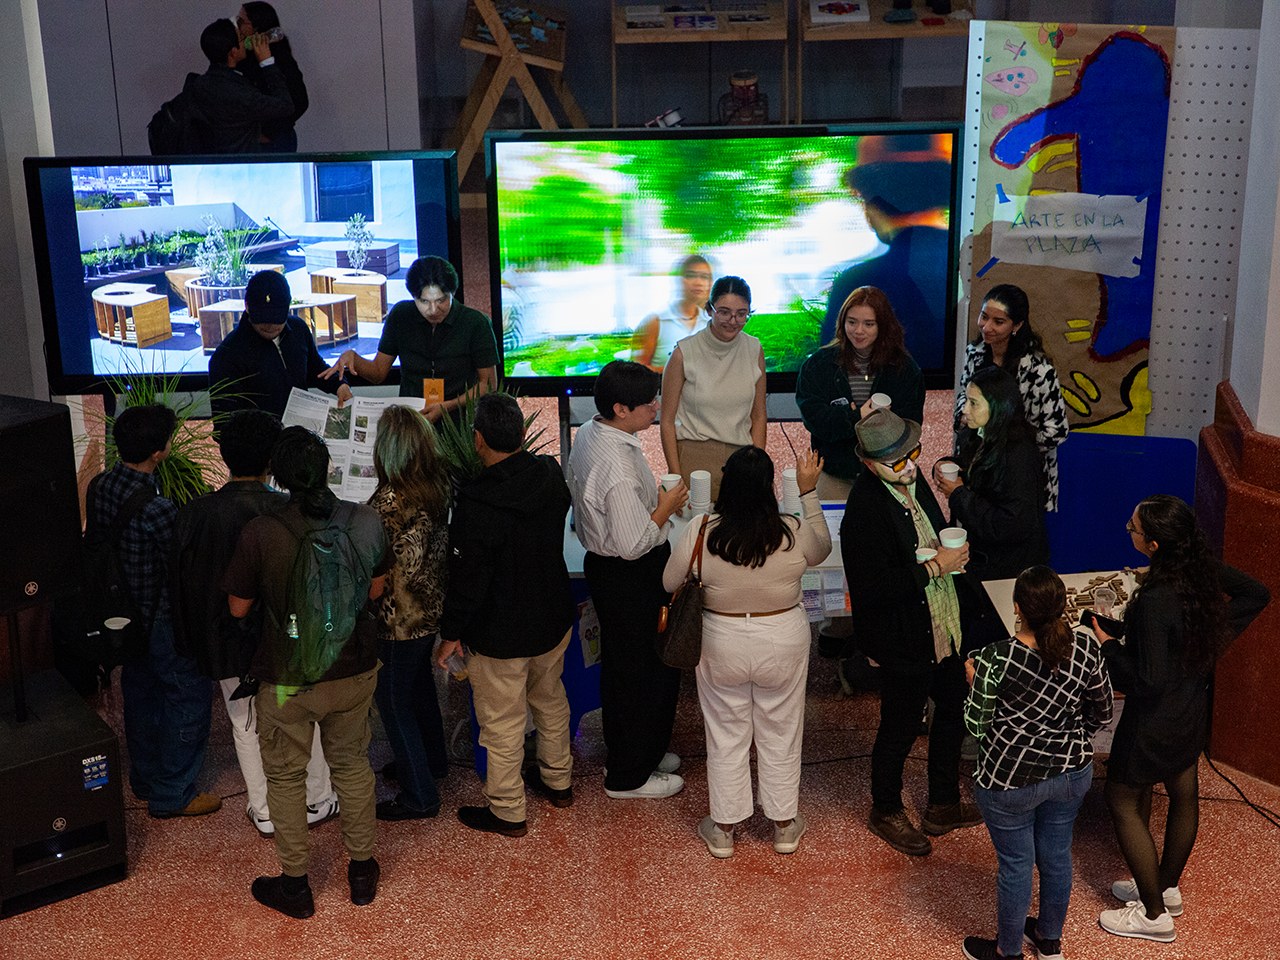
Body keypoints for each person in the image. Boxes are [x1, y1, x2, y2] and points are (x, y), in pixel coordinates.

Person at [224, 426, 391, 919]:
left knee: (285, 777)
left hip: (287, 681)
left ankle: (296, 886)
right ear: (328, 469)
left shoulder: (260, 531)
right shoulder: (366, 520)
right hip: (354, 669)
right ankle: (362, 872)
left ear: (276, 476)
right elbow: (376, 590)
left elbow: (237, 608)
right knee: (353, 766)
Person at [1096, 495, 1269, 943]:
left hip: (1152, 722)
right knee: (1183, 793)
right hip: (1191, 709)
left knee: (1120, 798)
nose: (1129, 530)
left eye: (1133, 527)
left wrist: (1108, 646)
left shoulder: (1155, 600)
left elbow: (1147, 680)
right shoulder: (1197, 568)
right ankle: (1165, 888)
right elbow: (1257, 593)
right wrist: (1210, 635)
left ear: (1154, 544)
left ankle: (1154, 916)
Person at [170, 409, 339, 838]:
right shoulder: (290, 509)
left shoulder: (194, 513)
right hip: (288, 642)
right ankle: (318, 799)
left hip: (225, 644)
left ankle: (263, 810)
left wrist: (193, 643)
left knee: (243, 723)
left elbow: (182, 587)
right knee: (304, 720)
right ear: (272, 460)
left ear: (225, 455)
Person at [665, 447, 830, 858]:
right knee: (782, 730)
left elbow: (669, 583)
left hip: (721, 640)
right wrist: (808, 492)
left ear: (726, 483)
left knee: (725, 732)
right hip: (783, 637)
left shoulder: (702, 530)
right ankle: (784, 826)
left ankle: (723, 828)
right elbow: (822, 550)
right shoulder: (792, 530)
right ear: (770, 485)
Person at [435, 394, 577, 837]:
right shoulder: (550, 475)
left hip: (499, 634)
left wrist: (450, 634)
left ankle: (508, 809)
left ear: (477, 439)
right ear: (522, 433)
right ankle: (559, 781)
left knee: (502, 723)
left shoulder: (475, 504)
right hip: (552, 617)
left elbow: (468, 582)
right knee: (551, 701)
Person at [841, 408, 981, 856]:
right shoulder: (863, 509)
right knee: (899, 728)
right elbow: (872, 589)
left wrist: (951, 555)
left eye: (914, 454)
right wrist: (936, 566)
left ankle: (943, 804)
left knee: (953, 712)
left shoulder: (913, 481)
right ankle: (885, 810)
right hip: (903, 637)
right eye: (896, 462)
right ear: (868, 464)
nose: (909, 467)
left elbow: (935, 533)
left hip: (944, 626)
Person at [961, 566, 1113, 960]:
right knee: (1057, 855)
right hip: (1071, 772)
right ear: (1063, 606)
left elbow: (976, 725)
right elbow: (1103, 711)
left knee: (1016, 864)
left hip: (1010, 780)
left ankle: (1008, 951)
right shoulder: (1086, 647)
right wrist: (1072, 738)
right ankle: (1048, 940)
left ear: (1017, 608)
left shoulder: (996, 657)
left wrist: (975, 683)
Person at [91, 404, 221, 819]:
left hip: (122, 616)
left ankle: (145, 779)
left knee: (139, 694)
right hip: (161, 619)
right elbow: (181, 564)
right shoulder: (158, 508)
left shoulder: (100, 485)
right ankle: (173, 792)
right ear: (158, 452)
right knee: (187, 698)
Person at [567, 360, 689, 800]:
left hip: (611, 570)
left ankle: (637, 752)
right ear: (620, 408)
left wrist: (653, 506)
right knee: (643, 673)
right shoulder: (615, 466)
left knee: (625, 668)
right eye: (648, 403)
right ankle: (629, 775)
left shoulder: (592, 430)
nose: (657, 407)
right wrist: (665, 507)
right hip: (631, 574)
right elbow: (635, 543)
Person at [366, 406, 450, 822]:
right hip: (428, 609)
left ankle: (420, 795)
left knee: (392, 701)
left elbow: (374, 566)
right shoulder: (436, 487)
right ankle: (431, 762)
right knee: (420, 691)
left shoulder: (387, 501)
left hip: (397, 620)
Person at [820, 134, 953, 372]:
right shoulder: (972, 268)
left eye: (862, 194)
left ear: (874, 199)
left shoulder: (856, 285)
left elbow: (830, 375)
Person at [322, 256, 499, 422]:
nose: (433, 310)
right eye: (424, 301)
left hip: (459, 424)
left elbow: (489, 384)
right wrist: (354, 358)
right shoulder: (401, 316)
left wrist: (447, 406)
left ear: (452, 292)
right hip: (412, 423)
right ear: (413, 296)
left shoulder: (475, 322)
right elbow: (378, 373)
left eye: (441, 300)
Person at [796, 284, 925, 503]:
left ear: (883, 325)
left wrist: (877, 422)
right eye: (852, 322)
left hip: (888, 475)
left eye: (869, 324)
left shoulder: (904, 369)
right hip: (836, 475)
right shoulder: (818, 365)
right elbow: (814, 418)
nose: (858, 331)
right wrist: (857, 417)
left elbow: (910, 426)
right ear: (842, 322)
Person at [954, 284, 1069, 512]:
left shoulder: (1039, 370)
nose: (986, 327)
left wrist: (1011, 445)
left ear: (1017, 325)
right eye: (984, 317)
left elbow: (1058, 430)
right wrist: (963, 416)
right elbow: (962, 397)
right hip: (977, 466)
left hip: (1019, 475)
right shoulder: (973, 353)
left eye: (998, 322)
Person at [935, 365, 1049, 584]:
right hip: (982, 559)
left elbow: (1011, 524)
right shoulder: (978, 433)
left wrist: (959, 494)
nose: (965, 410)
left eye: (973, 403)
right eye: (966, 400)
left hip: (1009, 571)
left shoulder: (1019, 454)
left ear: (998, 407)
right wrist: (946, 465)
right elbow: (974, 468)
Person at [660, 275, 766, 501]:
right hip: (695, 459)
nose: (733, 321)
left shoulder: (754, 348)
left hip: (742, 461)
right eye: (724, 312)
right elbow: (667, 421)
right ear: (709, 309)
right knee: (696, 523)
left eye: (742, 314)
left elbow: (758, 416)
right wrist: (675, 475)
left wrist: (759, 466)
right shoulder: (684, 353)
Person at [209, 269, 353, 418]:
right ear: (247, 307)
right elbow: (224, 421)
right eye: (262, 319)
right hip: (261, 432)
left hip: (300, 425)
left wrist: (340, 385)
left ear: (288, 307)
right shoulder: (226, 355)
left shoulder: (298, 330)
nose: (270, 326)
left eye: (276, 318)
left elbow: (315, 368)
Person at [184, 18, 294, 154]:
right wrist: (267, 63)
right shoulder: (240, 93)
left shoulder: (199, 84)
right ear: (233, 52)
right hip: (242, 159)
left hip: (213, 158)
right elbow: (285, 105)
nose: (247, 40)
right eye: (242, 38)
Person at [235, 3, 307, 152]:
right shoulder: (244, 59)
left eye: (242, 21)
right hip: (253, 138)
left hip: (274, 141)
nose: (237, 26)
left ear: (256, 27)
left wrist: (269, 133)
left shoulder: (280, 60)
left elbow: (300, 101)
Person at [632, 254, 712, 372]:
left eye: (704, 277)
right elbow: (635, 371)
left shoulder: (710, 323)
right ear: (678, 279)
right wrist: (677, 372)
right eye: (691, 275)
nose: (698, 282)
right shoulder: (656, 321)